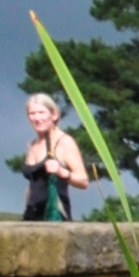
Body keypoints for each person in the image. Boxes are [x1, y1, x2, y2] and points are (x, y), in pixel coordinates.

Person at [20, 93, 89, 221]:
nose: (37, 118)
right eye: (32, 113)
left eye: (41, 112)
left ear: (54, 114)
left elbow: (83, 181)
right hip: (32, 215)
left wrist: (61, 172)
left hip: (55, 216)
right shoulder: (33, 144)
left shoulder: (64, 142)